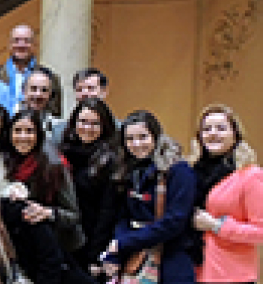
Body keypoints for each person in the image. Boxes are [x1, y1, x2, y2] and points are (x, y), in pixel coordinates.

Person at [102, 110, 196, 283]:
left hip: (171, 258)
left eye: (143, 137)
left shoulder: (178, 170)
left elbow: (175, 221)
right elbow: (124, 217)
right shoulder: (128, 170)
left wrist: (125, 243)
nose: (136, 144)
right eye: (130, 139)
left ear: (156, 137)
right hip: (134, 257)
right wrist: (116, 252)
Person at [189, 104, 263, 284]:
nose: (213, 133)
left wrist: (216, 225)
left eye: (221, 128)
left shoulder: (250, 175)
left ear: (235, 134)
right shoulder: (190, 172)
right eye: (207, 129)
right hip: (194, 270)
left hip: (233, 275)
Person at [3, 110, 85, 255]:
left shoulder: (54, 165)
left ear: (38, 135)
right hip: (24, 246)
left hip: (60, 247)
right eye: (17, 131)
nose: (23, 137)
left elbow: (73, 216)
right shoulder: (5, 162)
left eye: (29, 131)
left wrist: (47, 212)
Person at [57, 98, 119, 279]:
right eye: (83, 121)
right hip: (65, 239)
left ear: (104, 126)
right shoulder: (62, 152)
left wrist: (96, 255)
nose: (87, 128)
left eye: (95, 123)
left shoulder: (110, 160)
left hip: (93, 243)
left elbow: (108, 212)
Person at [0, 25, 62, 117]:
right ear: (9, 45)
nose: (21, 45)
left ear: (34, 45)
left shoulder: (49, 77)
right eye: (16, 41)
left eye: (27, 41)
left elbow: (55, 112)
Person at [18, 67, 66, 143]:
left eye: (44, 90)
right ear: (23, 91)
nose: (38, 95)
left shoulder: (59, 128)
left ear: (50, 95)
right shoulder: (9, 122)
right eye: (33, 89)